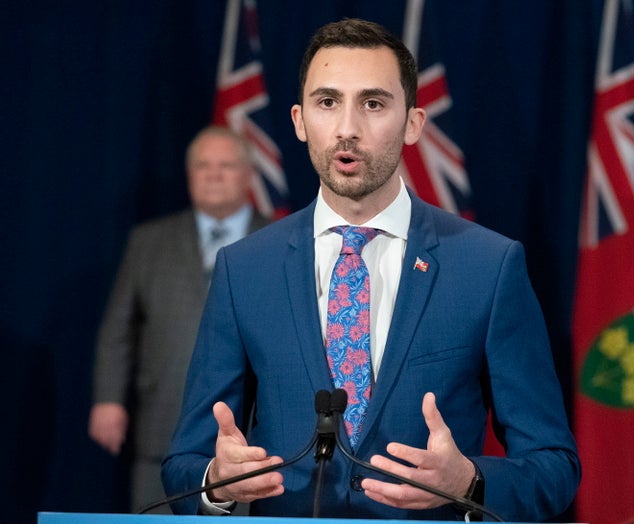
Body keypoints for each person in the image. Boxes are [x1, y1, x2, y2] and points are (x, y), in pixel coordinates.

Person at [162, 19, 581, 522]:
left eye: (373, 103)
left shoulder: (488, 266)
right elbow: (185, 462)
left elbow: (553, 466)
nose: (347, 128)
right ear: (299, 121)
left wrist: (471, 482)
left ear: (413, 123)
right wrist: (216, 481)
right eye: (327, 102)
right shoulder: (245, 268)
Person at [89, 126, 270, 512]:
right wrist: (108, 399)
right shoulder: (148, 241)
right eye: (204, 166)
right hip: (162, 430)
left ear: (248, 175)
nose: (214, 175)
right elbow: (118, 329)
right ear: (190, 176)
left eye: (226, 166)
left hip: (256, 439)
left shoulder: (278, 241)